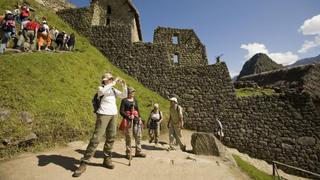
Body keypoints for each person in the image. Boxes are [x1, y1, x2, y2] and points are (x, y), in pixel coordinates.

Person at [73, 73, 127, 177]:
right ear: (104, 80)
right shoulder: (101, 88)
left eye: (112, 78)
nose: (111, 80)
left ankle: (107, 159)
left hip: (113, 115)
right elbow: (102, 92)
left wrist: (124, 85)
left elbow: (124, 95)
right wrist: (115, 81)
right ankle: (84, 162)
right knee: (96, 139)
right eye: (109, 79)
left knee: (111, 137)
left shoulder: (113, 90)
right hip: (103, 115)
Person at [120, 87, 146, 159]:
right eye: (131, 92)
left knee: (138, 137)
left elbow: (137, 110)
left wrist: (140, 117)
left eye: (133, 92)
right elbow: (121, 111)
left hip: (136, 121)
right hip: (128, 121)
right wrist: (128, 116)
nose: (133, 93)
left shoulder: (135, 100)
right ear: (128, 93)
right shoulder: (124, 101)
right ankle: (128, 153)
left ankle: (138, 152)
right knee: (129, 137)